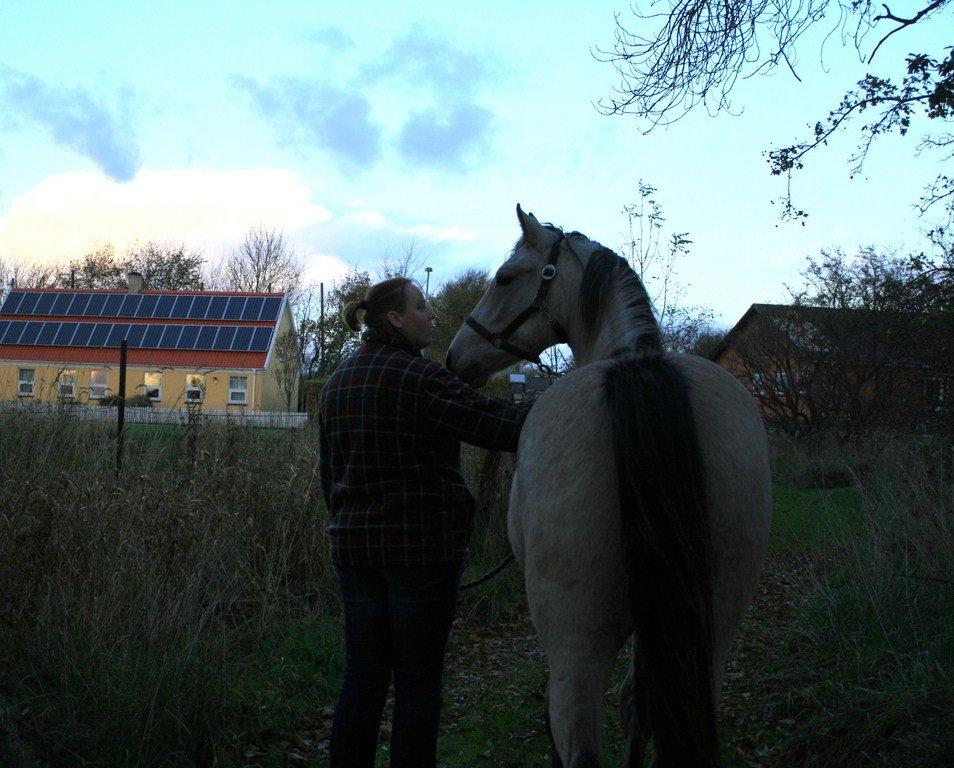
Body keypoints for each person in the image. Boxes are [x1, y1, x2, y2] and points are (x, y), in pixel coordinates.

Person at [318, 276, 531, 768]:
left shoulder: (336, 383)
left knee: (362, 679)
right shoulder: (421, 377)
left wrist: (352, 525)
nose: (432, 314)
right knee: (417, 682)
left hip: (353, 552)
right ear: (395, 318)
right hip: (421, 555)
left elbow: (329, 478)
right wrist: (573, 402)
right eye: (421, 306)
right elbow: (499, 426)